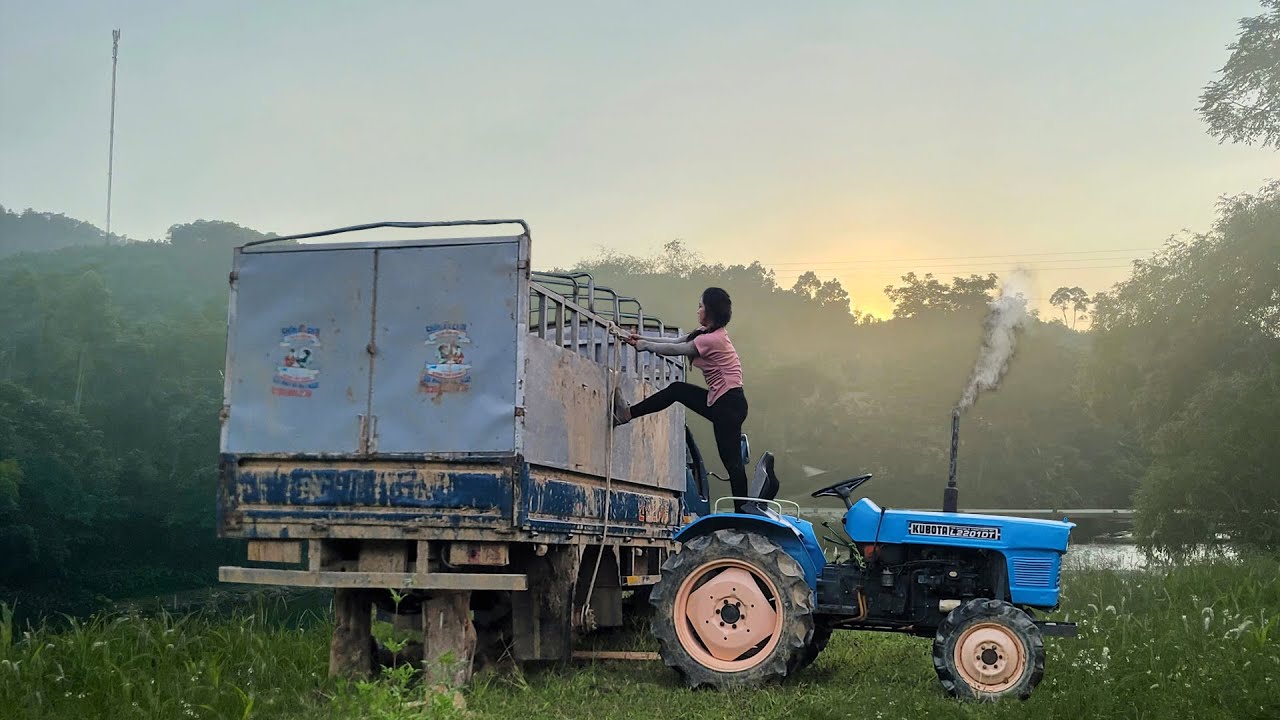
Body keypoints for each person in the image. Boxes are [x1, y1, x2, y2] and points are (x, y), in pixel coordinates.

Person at [611, 287, 759, 513]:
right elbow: (675, 340)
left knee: (732, 463)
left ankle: (744, 514)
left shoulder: (712, 339)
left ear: (709, 310)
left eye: (701, 306)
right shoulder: (704, 333)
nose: (698, 310)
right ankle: (626, 413)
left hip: (729, 405)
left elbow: (676, 349)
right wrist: (640, 338)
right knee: (678, 391)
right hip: (721, 401)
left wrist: (644, 346)